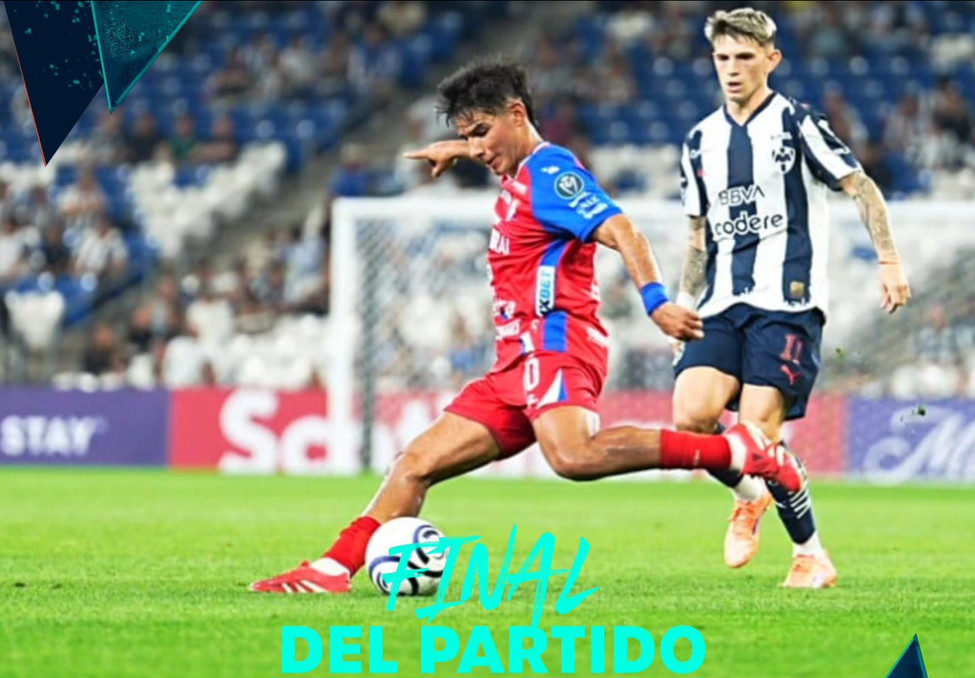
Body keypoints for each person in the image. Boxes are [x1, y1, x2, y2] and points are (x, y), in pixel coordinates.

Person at [251, 60, 800, 595]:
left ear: (517, 114)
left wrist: (656, 302)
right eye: (468, 136)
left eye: (481, 133)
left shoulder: (552, 173)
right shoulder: (517, 171)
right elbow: (497, 152)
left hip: (558, 341)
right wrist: (459, 148)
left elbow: (624, 230)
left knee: (573, 456)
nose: (478, 148)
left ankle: (738, 452)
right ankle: (331, 570)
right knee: (414, 464)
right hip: (514, 360)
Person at [670, 8, 911, 588]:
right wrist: (682, 300)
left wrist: (888, 259)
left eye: (745, 57)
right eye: (723, 58)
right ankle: (748, 495)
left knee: (758, 435)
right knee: (690, 418)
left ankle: (810, 554)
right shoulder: (699, 140)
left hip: (788, 301)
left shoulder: (797, 123)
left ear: (771, 60)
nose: (732, 69)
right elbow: (699, 234)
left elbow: (860, 186)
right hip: (719, 302)